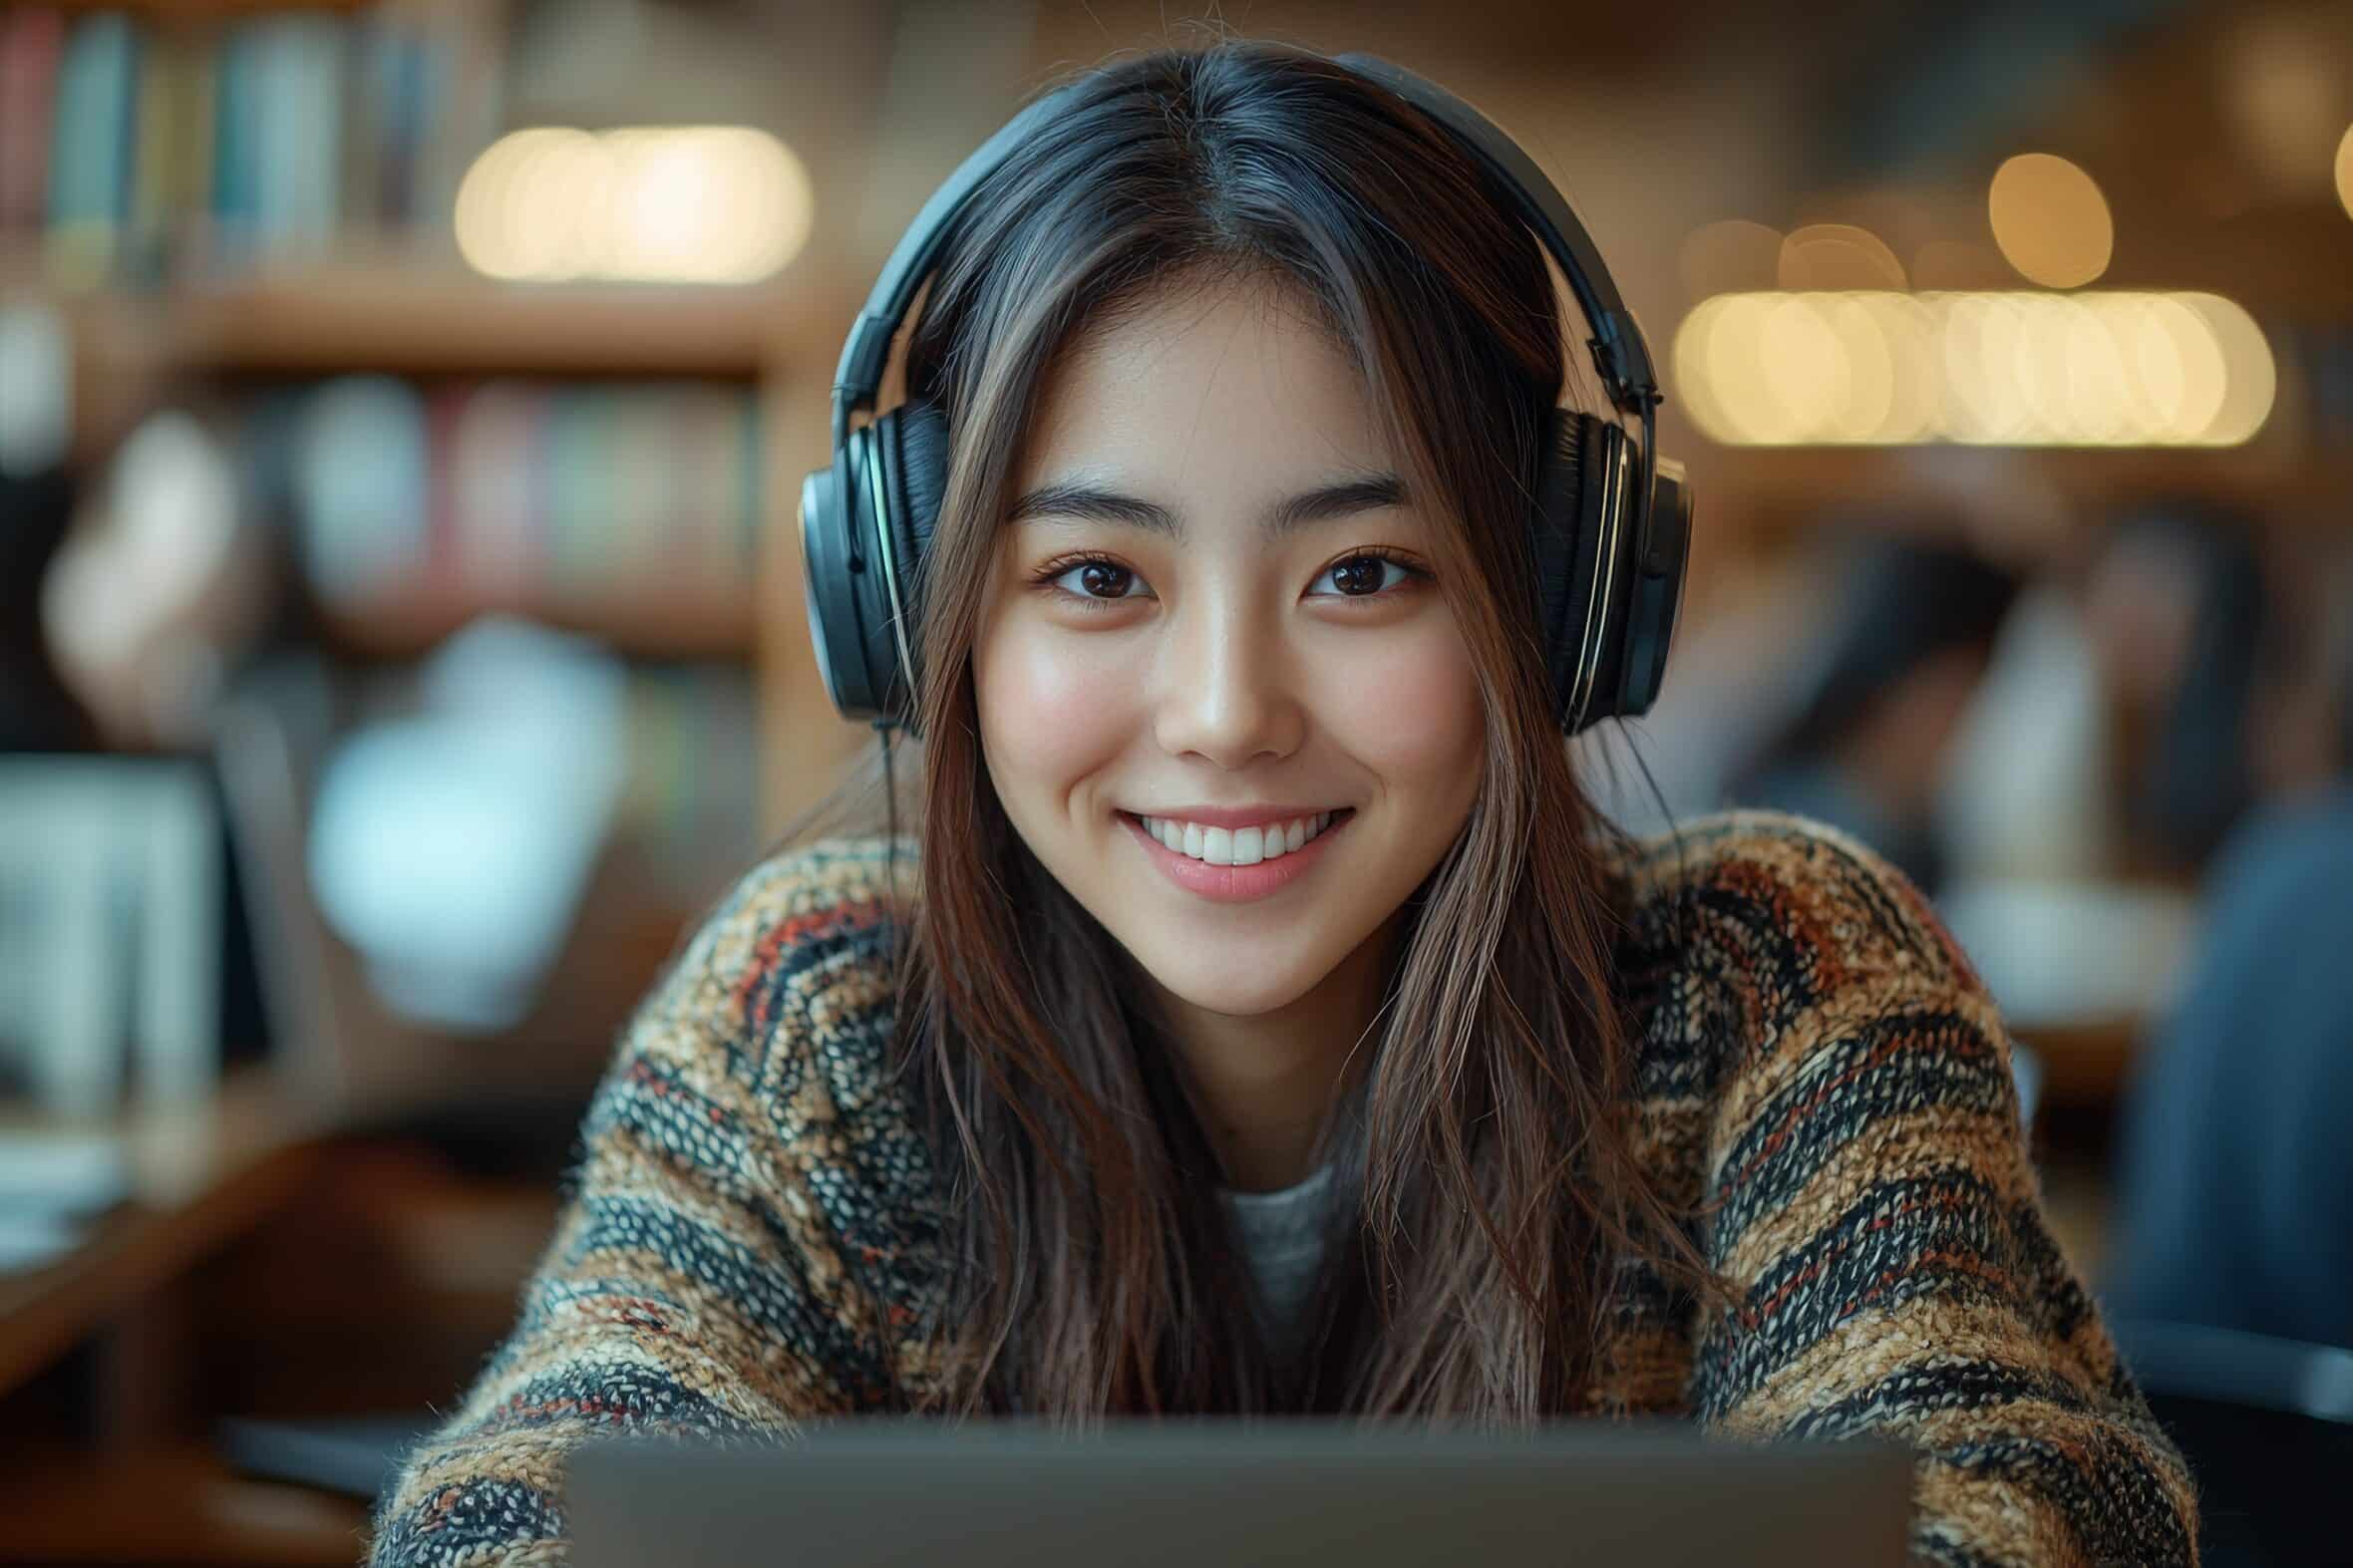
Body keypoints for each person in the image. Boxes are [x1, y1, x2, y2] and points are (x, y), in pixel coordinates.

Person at [367, 42, 2194, 1567]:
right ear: (926, 619)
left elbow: (2002, 1521)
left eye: (1366, 573)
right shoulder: (818, 1015)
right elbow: (521, 1514)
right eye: (1096, 577)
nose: (1228, 716)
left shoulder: (1785, 986)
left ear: (1555, 600)